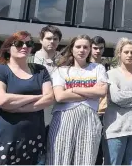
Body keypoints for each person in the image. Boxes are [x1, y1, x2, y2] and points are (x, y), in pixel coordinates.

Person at [46, 34, 109, 165]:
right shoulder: (61, 70)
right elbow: (60, 96)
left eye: (85, 47)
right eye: (78, 47)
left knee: (85, 160)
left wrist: (73, 89)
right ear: (72, 49)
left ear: (90, 49)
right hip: (63, 118)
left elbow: (102, 91)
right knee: (58, 159)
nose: (82, 50)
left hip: (89, 118)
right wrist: (91, 91)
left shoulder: (98, 68)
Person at [0, 31, 55, 165]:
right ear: (8, 48)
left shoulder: (40, 70)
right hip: (5, 138)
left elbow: (50, 98)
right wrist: (37, 97)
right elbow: (1, 100)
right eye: (19, 43)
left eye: (29, 43)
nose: (25, 46)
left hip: (34, 138)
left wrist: (16, 107)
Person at [29, 25, 62, 164]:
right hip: (33, 114)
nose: (52, 42)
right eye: (48, 38)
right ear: (41, 40)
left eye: (55, 39)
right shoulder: (30, 61)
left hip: (57, 116)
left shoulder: (64, 63)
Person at [91, 35, 109, 165]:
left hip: (103, 112)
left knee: (99, 151)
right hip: (88, 109)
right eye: (95, 48)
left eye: (100, 48)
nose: (98, 51)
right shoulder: (85, 65)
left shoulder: (107, 66)